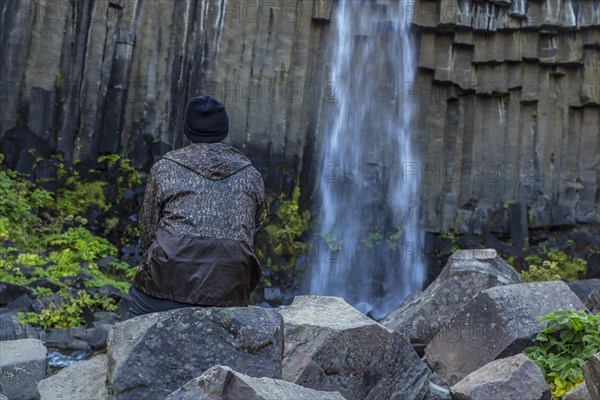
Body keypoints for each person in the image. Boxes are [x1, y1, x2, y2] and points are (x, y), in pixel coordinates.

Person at [127, 95, 265, 318]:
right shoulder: (252, 176)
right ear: (225, 130)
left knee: (135, 324)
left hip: (167, 285)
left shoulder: (164, 169)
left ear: (188, 131)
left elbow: (147, 232)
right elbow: (253, 235)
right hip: (229, 290)